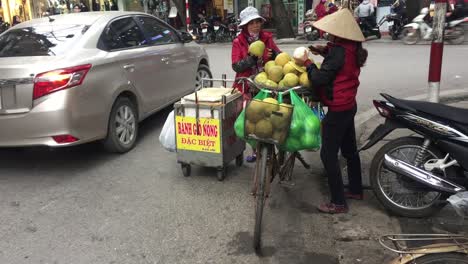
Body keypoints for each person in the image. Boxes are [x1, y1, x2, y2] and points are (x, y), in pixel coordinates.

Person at [296, 8, 367, 214]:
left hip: (337, 108)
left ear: (339, 33)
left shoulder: (338, 52)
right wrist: (323, 50)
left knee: (328, 155)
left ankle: (338, 202)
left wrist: (308, 63)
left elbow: (318, 79)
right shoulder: (352, 47)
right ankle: (355, 189)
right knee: (349, 150)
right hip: (348, 105)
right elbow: (339, 55)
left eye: (331, 32)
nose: (328, 34)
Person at [231, 6, 281, 162]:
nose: (255, 25)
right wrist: (251, 59)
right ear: (245, 25)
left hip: (267, 83)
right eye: (251, 23)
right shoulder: (238, 41)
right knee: (249, 120)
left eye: (257, 21)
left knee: (270, 116)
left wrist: (274, 55)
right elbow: (236, 65)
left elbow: (279, 57)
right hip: (246, 84)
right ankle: (254, 150)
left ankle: (269, 147)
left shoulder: (267, 38)